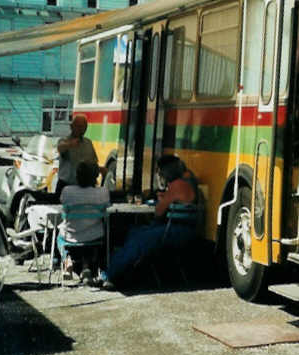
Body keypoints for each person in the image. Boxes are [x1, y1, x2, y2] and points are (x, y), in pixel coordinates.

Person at [100, 155, 201, 289]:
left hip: (173, 232)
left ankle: (110, 273)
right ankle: (122, 269)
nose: (161, 176)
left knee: (137, 238)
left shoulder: (176, 185)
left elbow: (158, 212)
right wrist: (166, 197)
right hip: (185, 230)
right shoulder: (189, 181)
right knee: (135, 232)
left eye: (161, 173)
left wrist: (162, 199)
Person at [59, 161, 110, 282]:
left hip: (70, 236)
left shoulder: (67, 191)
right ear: (95, 177)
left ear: (77, 176)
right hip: (95, 236)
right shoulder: (103, 192)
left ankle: (67, 260)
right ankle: (86, 266)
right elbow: (106, 209)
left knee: (59, 238)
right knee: (88, 233)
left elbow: (64, 209)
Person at [56, 114, 102, 197]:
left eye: (84, 127)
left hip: (85, 188)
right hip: (66, 185)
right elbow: (60, 148)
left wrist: (100, 169)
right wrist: (70, 144)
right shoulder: (64, 141)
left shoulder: (88, 143)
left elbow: (94, 162)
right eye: (78, 126)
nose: (81, 129)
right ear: (71, 127)